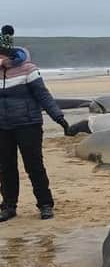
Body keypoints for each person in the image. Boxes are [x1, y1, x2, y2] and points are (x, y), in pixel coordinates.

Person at [0, 25, 70, 222]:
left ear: (6, 53)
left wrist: (59, 118)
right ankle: (9, 206)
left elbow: (43, 95)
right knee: (5, 168)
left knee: (34, 166)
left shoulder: (28, 69)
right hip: (2, 127)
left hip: (28, 124)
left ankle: (45, 204)